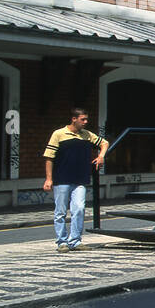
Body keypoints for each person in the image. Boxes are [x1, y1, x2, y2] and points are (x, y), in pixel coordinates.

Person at [42, 108, 108, 252]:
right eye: (83, 119)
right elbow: (49, 157)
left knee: (79, 209)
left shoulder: (87, 135)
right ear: (74, 119)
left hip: (80, 179)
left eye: (86, 119)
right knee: (60, 212)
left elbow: (104, 143)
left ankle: (76, 241)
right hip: (62, 179)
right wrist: (49, 179)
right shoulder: (58, 134)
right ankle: (62, 242)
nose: (86, 122)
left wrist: (101, 155)